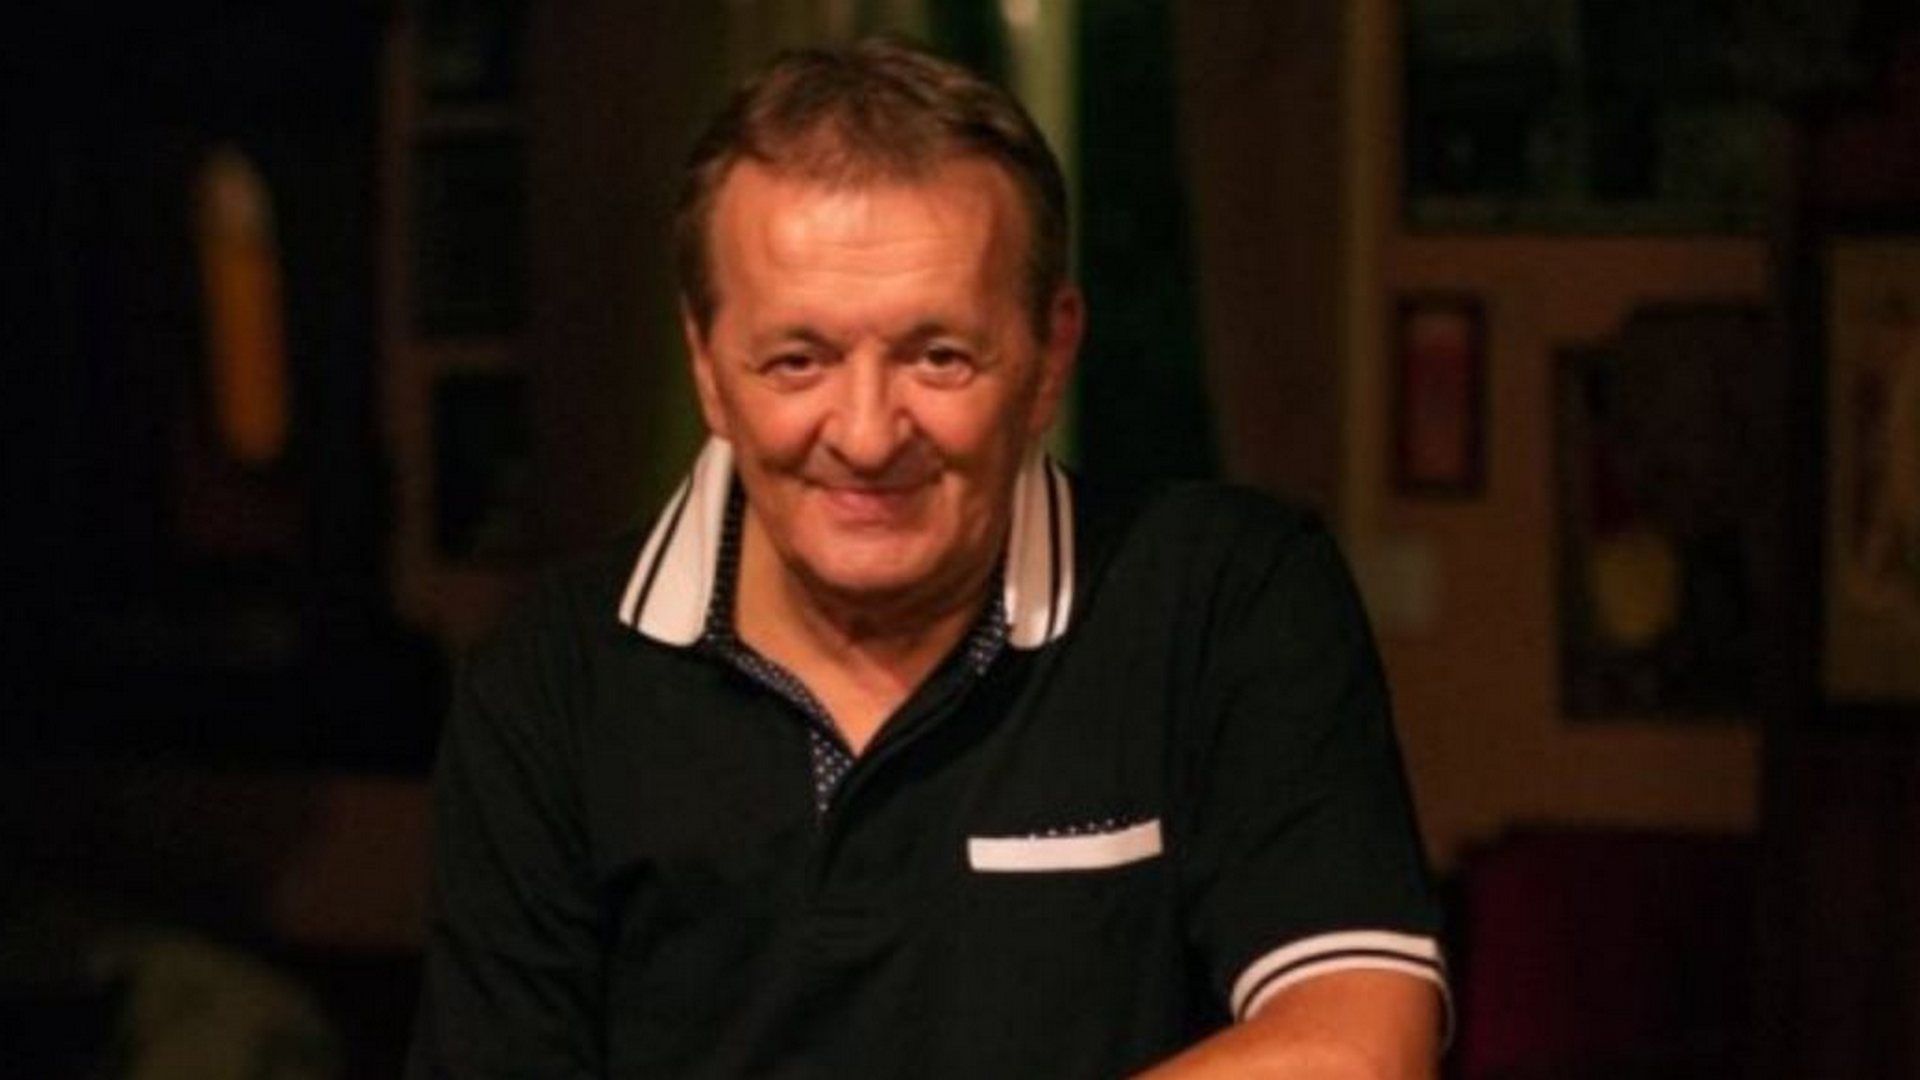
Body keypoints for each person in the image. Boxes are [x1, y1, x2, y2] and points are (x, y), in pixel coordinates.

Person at [409, 37, 1446, 1079]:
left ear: (1050, 355)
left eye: (939, 356)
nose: (867, 435)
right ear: (709, 370)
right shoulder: (549, 679)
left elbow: (1357, 1042)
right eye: (798, 360)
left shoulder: (1226, 597)